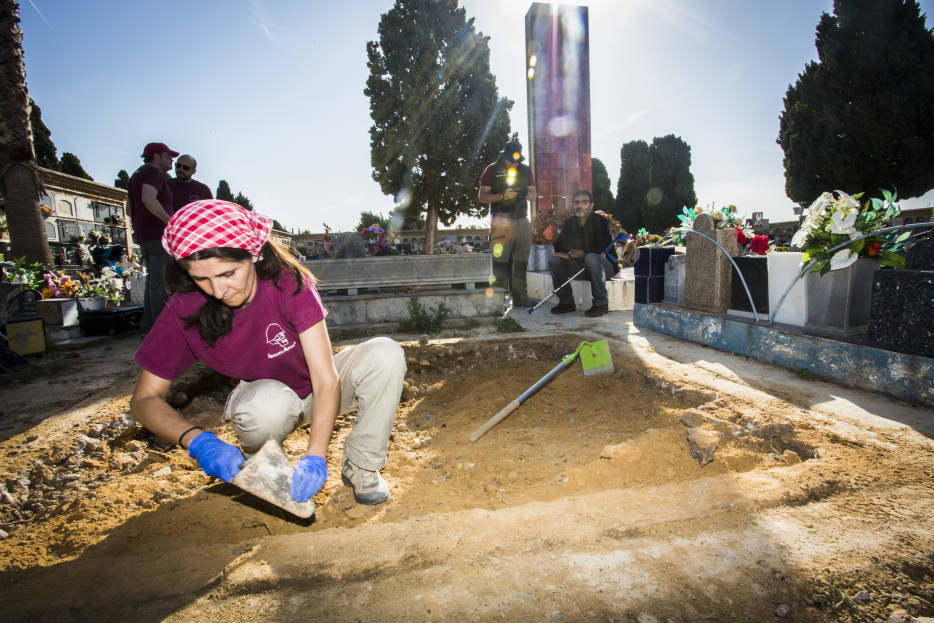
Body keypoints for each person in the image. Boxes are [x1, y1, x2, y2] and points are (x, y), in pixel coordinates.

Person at [130, 200, 406, 506]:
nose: (218, 291)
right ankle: (260, 458)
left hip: (318, 388)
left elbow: (326, 380)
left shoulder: (287, 282)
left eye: (227, 273)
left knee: (385, 354)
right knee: (264, 407)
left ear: (254, 253)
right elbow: (144, 400)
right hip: (266, 401)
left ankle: (362, 466)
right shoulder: (185, 307)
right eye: (201, 279)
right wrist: (198, 441)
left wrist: (315, 456)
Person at [478, 139, 537, 307]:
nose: (514, 163)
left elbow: (534, 196)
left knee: (521, 260)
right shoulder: (491, 170)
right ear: (503, 156)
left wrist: (521, 194)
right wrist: (503, 196)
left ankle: (520, 297)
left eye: (517, 160)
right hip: (501, 220)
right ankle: (498, 299)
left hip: (522, 220)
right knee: (499, 262)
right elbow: (482, 197)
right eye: (511, 160)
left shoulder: (525, 171)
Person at [127, 142, 177, 332]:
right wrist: (170, 222)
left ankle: (148, 325)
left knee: (152, 281)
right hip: (158, 236)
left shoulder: (136, 175)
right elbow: (148, 198)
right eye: (168, 156)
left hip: (145, 236)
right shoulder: (154, 173)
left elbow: (129, 209)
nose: (172, 159)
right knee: (161, 283)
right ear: (157, 156)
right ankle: (162, 329)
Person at [548, 189, 616, 317]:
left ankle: (601, 304)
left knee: (591, 257)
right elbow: (561, 248)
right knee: (555, 261)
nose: (579, 205)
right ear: (573, 205)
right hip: (581, 268)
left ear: (591, 205)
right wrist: (569, 254)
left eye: (584, 202)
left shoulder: (600, 221)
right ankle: (567, 302)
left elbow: (600, 248)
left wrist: (581, 253)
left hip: (602, 267)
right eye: (576, 202)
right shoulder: (569, 224)